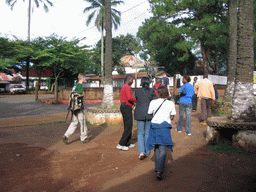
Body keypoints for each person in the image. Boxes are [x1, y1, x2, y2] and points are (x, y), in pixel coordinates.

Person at [147, 86, 176, 180]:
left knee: (156, 147)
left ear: (158, 93)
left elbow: (150, 113)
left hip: (155, 126)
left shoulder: (153, 102)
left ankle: (158, 168)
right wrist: (166, 117)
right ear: (166, 94)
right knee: (163, 148)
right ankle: (159, 170)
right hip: (165, 127)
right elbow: (172, 116)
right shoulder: (170, 103)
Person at [63, 73, 88, 144]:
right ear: (82, 78)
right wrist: (83, 94)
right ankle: (83, 138)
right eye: (85, 78)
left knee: (74, 122)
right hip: (79, 107)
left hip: (73, 107)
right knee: (82, 123)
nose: (85, 79)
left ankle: (66, 135)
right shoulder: (79, 86)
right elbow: (80, 94)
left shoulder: (75, 85)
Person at [134, 77, 156, 160]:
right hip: (149, 113)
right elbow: (153, 102)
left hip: (139, 113)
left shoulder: (137, 91)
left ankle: (141, 152)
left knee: (140, 133)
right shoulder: (151, 91)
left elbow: (137, 100)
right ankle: (147, 151)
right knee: (147, 133)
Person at [117, 74, 137, 151]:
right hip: (126, 107)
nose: (132, 82)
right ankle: (121, 144)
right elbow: (129, 98)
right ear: (128, 79)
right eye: (132, 80)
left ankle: (127, 142)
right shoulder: (127, 87)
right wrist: (136, 100)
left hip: (125, 106)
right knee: (128, 125)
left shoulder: (125, 87)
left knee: (128, 125)